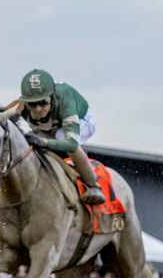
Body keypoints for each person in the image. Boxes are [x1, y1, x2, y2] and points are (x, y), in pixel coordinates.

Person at [13, 69, 105, 205]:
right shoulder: (21, 105)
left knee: (61, 137)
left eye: (43, 102)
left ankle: (93, 186)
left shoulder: (64, 101)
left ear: (51, 97)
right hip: (50, 127)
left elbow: (71, 144)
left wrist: (44, 141)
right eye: (33, 104)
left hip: (81, 121)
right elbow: (1, 115)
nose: (38, 108)